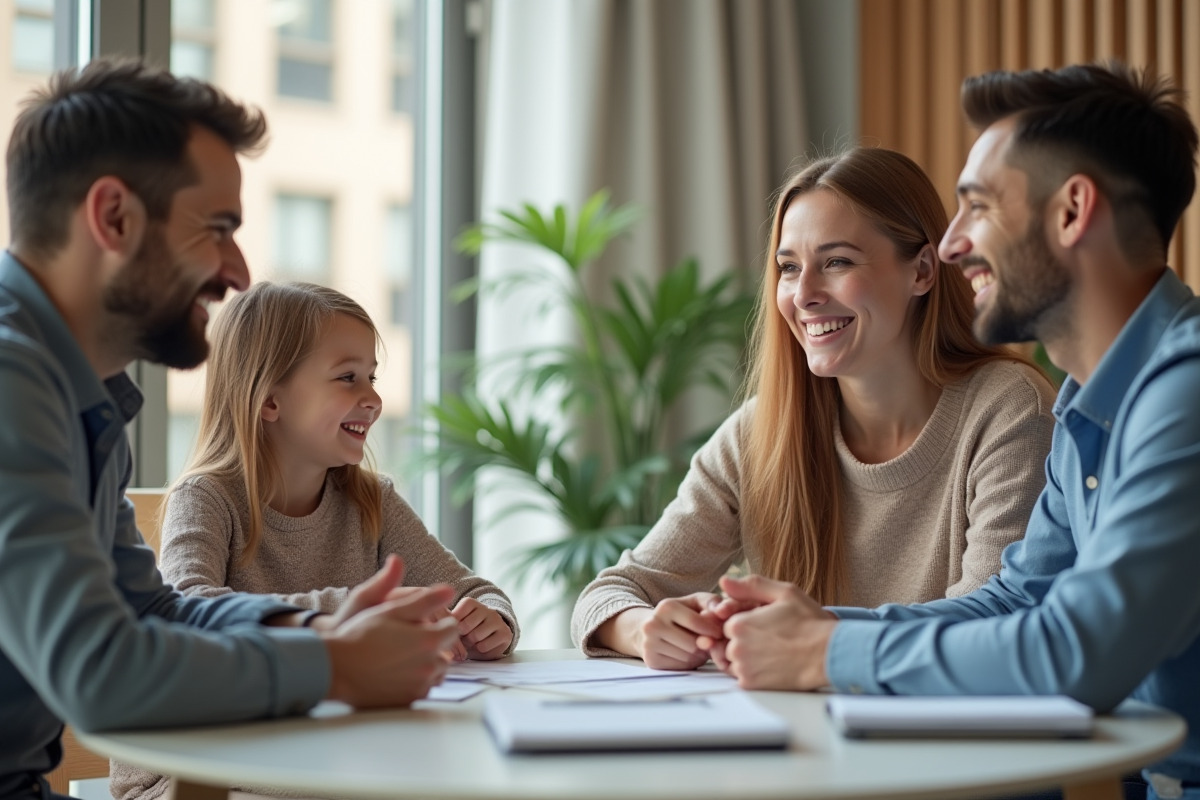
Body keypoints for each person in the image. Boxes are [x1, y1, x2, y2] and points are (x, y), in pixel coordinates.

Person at [707, 61, 1200, 800]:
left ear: (1071, 212)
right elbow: (1017, 600)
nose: (949, 245)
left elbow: (1077, 652)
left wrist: (828, 650)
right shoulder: (1090, 403)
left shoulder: (1186, 393)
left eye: (977, 207)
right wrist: (807, 624)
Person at [0, 58, 460, 800]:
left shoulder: (81, 393)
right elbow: (97, 671)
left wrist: (322, 627)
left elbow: (149, 609)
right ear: (113, 217)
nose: (238, 271)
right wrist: (336, 667)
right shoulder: (12, 384)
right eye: (216, 229)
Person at [572, 146, 1057, 669]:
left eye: (837, 262)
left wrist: (811, 639)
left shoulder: (1008, 410)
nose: (803, 294)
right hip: (798, 739)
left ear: (921, 271)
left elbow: (994, 623)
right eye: (788, 268)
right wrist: (646, 628)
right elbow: (610, 594)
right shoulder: (759, 434)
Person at [110, 281, 520, 800]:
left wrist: (488, 617)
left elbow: (467, 588)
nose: (372, 398)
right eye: (347, 378)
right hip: (190, 772)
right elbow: (188, 611)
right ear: (270, 400)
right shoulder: (207, 497)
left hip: (317, 754)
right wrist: (350, 611)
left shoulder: (372, 500)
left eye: (371, 377)